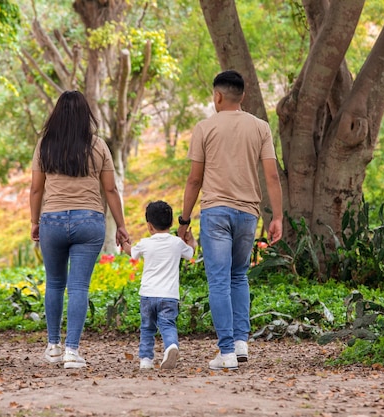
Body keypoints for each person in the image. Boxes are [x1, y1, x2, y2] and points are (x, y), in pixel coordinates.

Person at [177, 70, 283, 371]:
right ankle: (240, 343)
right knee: (239, 276)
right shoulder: (260, 127)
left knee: (220, 280)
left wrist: (183, 223)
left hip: (215, 214)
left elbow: (194, 180)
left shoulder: (204, 128)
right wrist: (277, 217)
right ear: (243, 96)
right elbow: (272, 175)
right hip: (248, 214)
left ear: (217, 96)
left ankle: (226, 352)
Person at [29, 90, 129, 369]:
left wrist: (35, 221)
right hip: (89, 221)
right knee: (79, 286)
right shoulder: (97, 146)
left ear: (57, 115)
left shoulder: (45, 145)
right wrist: (121, 226)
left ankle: (52, 347)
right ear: (86, 115)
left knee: (55, 283)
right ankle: (72, 351)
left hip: (53, 221)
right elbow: (110, 189)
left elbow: (36, 189)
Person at [121, 200, 197, 370]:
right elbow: (191, 253)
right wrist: (190, 240)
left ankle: (146, 360)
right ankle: (171, 346)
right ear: (171, 223)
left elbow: (131, 253)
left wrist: (124, 241)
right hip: (169, 296)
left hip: (147, 294)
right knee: (167, 324)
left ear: (149, 226)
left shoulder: (145, 243)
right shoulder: (177, 243)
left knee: (147, 328)